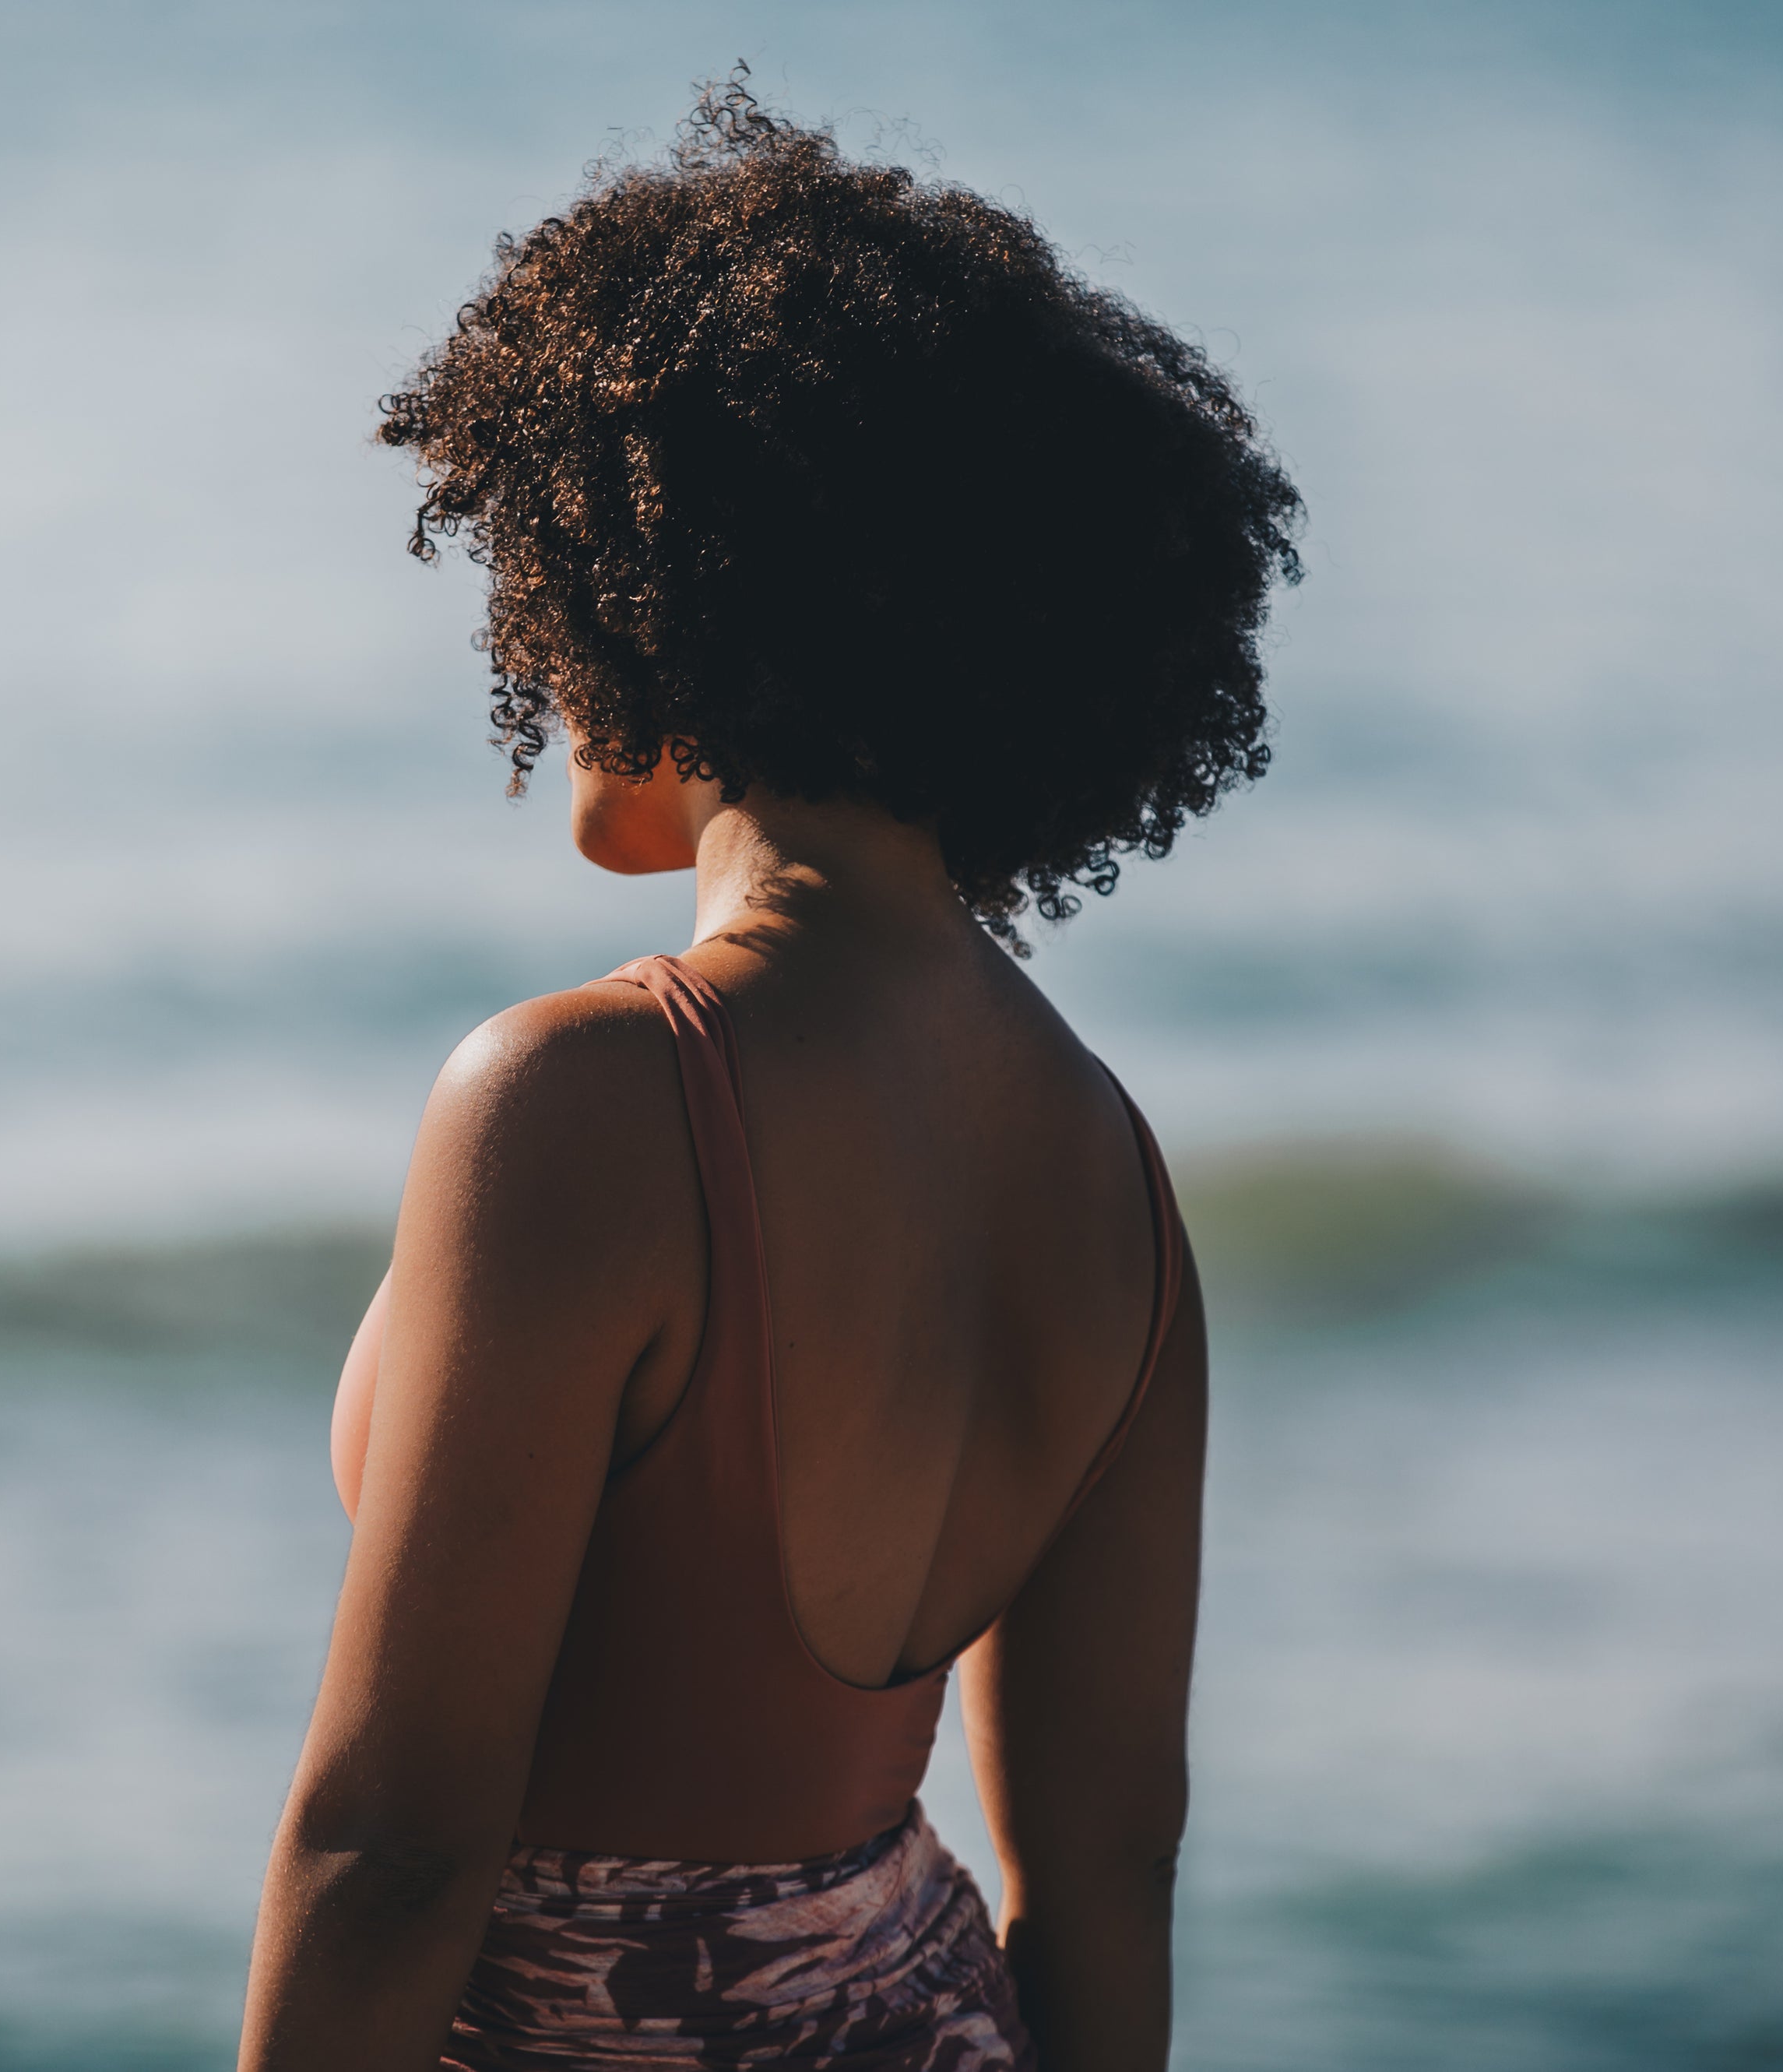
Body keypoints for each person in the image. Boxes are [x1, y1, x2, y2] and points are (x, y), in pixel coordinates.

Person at [241, 73, 1300, 2072]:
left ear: (659, 582)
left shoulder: (582, 1102)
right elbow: (1111, 1860)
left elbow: (394, 1839)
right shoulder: (1110, 1172)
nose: (527, 647)